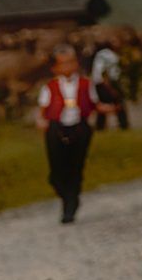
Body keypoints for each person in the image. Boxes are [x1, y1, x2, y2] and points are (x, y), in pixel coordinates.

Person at [32, 44, 100, 224]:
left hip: (79, 127)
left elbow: (93, 105)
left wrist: (101, 113)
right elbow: (42, 111)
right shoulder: (50, 87)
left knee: (75, 166)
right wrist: (41, 122)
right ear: (56, 67)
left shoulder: (86, 84)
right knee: (57, 170)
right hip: (57, 128)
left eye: (71, 62)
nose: (68, 67)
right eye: (64, 64)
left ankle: (70, 205)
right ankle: (64, 192)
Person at [88, 40, 130, 131]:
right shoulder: (109, 55)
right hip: (108, 83)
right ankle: (123, 125)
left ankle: (100, 126)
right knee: (119, 103)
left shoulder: (99, 55)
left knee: (103, 105)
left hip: (99, 83)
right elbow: (104, 71)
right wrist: (110, 87)